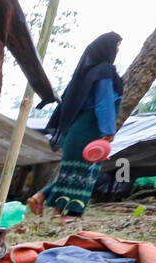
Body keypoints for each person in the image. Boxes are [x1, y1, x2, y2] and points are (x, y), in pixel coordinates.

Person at [29, 33, 123, 219]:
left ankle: (45, 201)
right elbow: (103, 102)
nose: (118, 50)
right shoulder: (104, 71)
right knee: (85, 172)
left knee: (71, 171)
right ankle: (70, 214)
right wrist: (108, 129)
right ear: (107, 48)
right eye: (117, 46)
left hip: (75, 130)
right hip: (90, 128)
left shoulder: (84, 74)